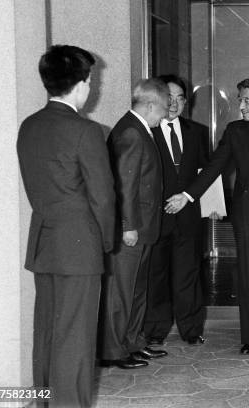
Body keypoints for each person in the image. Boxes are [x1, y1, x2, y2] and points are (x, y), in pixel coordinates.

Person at [165, 76, 249, 354]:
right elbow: (215, 167)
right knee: (248, 273)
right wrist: (188, 195)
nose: (241, 106)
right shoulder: (235, 131)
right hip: (246, 212)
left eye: (247, 100)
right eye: (240, 100)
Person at [17, 45, 115, 407]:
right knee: (75, 338)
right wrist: (105, 242)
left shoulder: (30, 126)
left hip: (44, 244)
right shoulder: (85, 131)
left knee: (47, 333)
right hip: (79, 248)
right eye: (91, 80)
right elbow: (103, 198)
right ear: (80, 84)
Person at [99, 79, 170, 369]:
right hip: (132, 229)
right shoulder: (131, 131)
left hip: (143, 227)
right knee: (122, 292)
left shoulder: (140, 129)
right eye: (163, 109)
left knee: (137, 290)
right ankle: (113, 351)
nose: (165, 115)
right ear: (150, 105)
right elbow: (125, 185)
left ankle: (133, 343)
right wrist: (128, 225)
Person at [143, 75, 210, 346]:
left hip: (188, 216)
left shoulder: (197, 131)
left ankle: (191, 330)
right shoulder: (147, 130)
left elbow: (206, 173)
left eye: (180, 98)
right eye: (169, 97)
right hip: (157, 217)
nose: (174, 103)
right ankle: (155, 331)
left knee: (188, 274)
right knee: (156, 275)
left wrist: (211, 206)